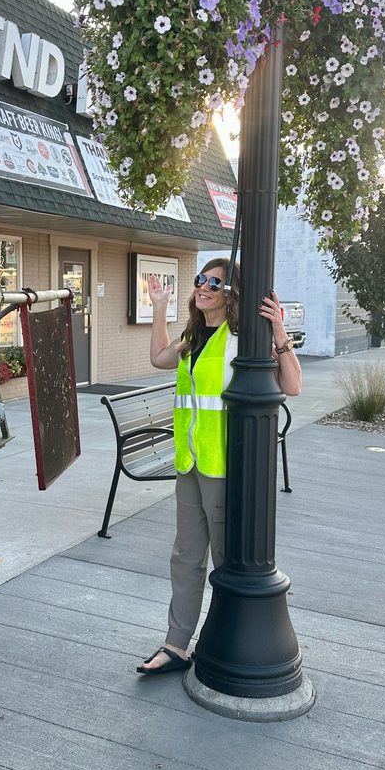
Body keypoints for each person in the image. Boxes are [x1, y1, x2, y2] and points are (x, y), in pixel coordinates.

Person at [137, 257, 302, 675]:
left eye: (216, 282)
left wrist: (279, 330)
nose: (205, 286)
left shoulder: (241, 338)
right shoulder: (194, 337)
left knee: (226, 561)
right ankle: (177, 645)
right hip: (190, 463)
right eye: (201, 280)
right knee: (185, 556)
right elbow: (158, 358)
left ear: (232, 294)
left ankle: (227, 640)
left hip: (224, 466)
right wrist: (159, 307)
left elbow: (293, 386)